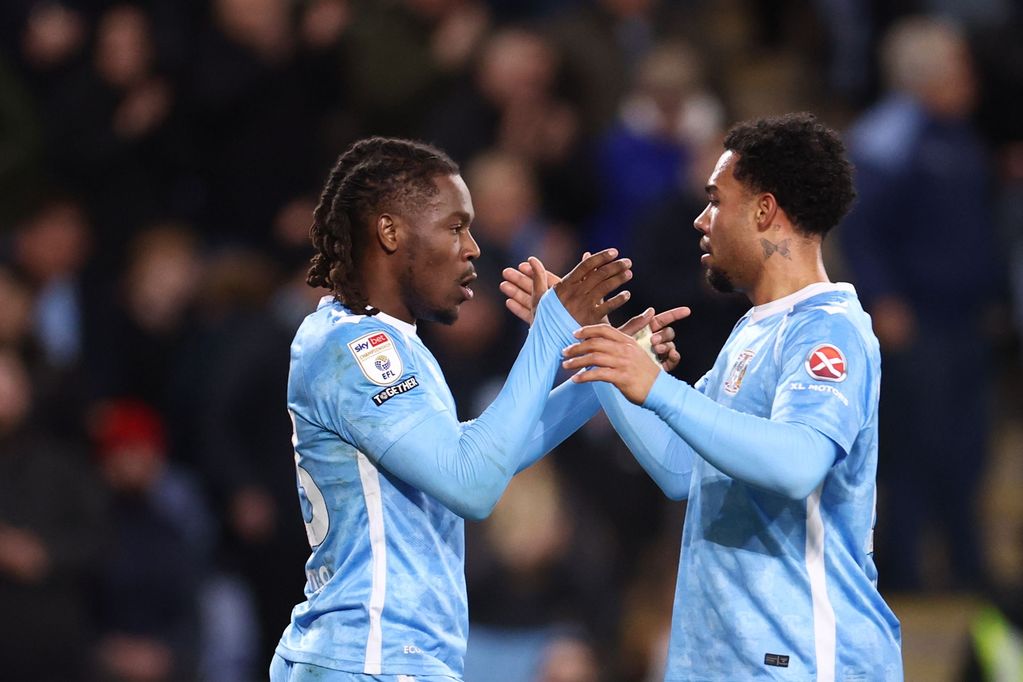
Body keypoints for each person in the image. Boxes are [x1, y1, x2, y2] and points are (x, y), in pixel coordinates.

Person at [503, 113, 903, 680]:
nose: (701, 218)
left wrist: (659, 387)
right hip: (727, 658)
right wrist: (597, 347)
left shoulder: (829, 327)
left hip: (807, 657)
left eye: (716, 200)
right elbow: (679, 470)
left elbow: (799, 464)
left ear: (764, 210)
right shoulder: (754, 330)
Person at [270, 136, 677, 681]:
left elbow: (490, 456)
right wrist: (553, 326)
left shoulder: (391, 342)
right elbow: (473, 484)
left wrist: (603, 366)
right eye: (455, 226)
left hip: (388, 658)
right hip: (369, 660)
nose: (473, 248)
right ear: (390, 232)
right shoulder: (357, 349)